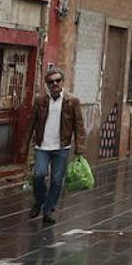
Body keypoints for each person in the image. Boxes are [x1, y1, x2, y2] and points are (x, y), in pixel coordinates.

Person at [27, 68, 85, 225]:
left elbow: (79, 125)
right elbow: (31, 123)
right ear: (47, 84)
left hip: (61, 147)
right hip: (42, 146)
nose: (55, 84)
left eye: (58, 81)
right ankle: (40, 201)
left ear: (62, 82)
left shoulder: (72, 101)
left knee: (57, 180)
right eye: (51, 82)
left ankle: (49, 210)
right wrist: (24, 146)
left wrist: (80, 147)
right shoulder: (40, 100)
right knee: (38, 175)